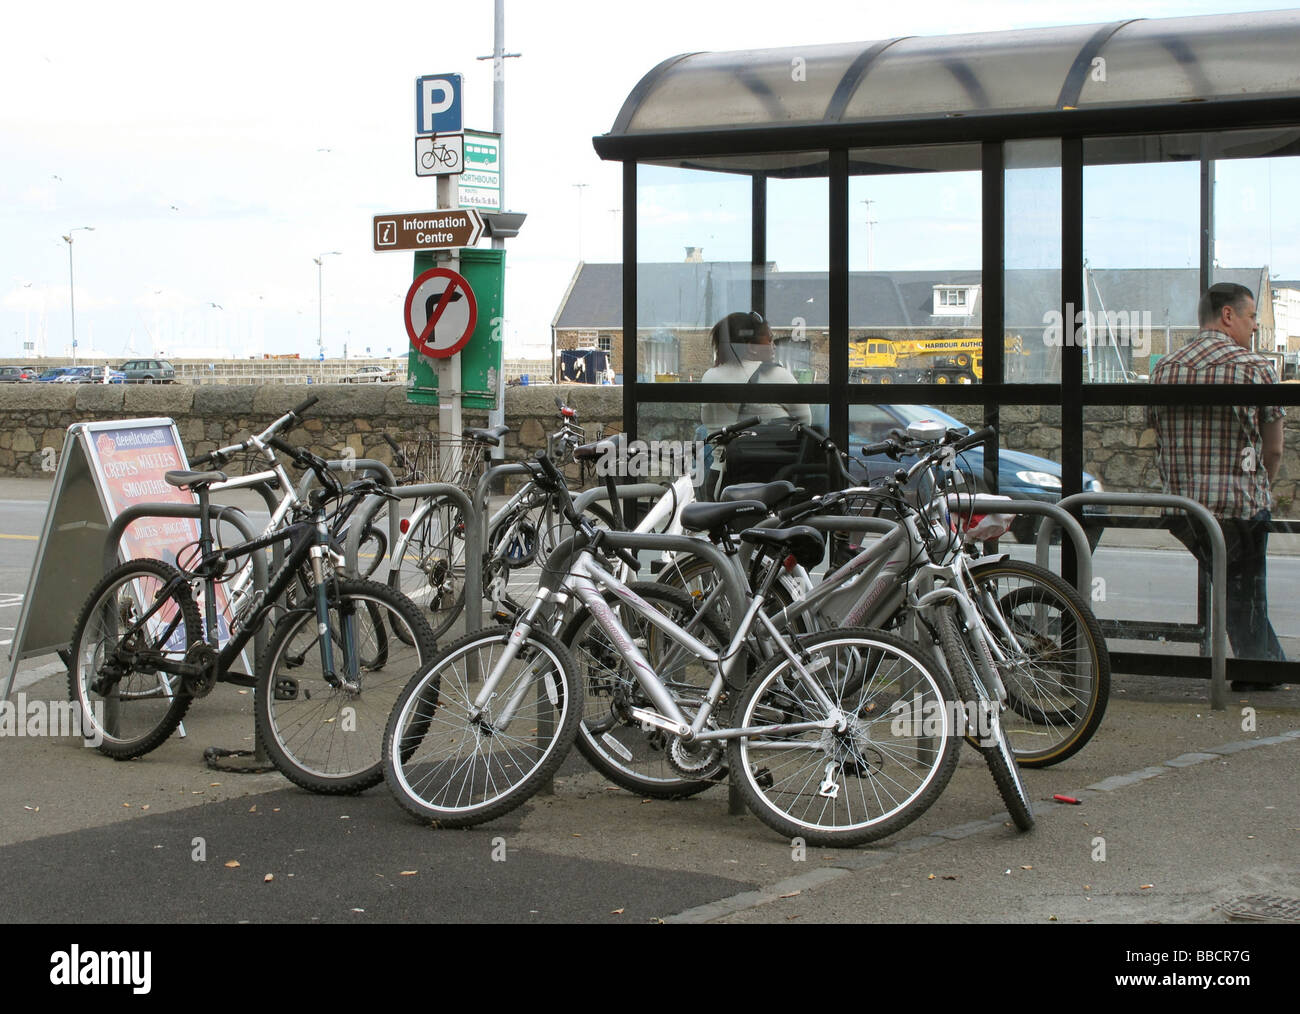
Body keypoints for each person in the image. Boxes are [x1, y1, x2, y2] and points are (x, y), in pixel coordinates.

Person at [1147, 282, 1286, 689]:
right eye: (1251, 317)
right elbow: (1274, 450)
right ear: (1228, 316)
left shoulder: (1164, 368)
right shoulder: (1256, 368)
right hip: (1240, 505)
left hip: (1185, 510)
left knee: (1233, 588)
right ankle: (1257, 671)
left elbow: (1156, 430)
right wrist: (1263, 490)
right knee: (1245, 592)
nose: (1255, 326)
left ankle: (1264, 665)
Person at [700, 311, 811, 498]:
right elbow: (806, 422)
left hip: (719, 476)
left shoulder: (709, 376)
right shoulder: (775, 375)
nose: (773, 346)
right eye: (769, 340)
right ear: (751, 347)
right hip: (768, 479)